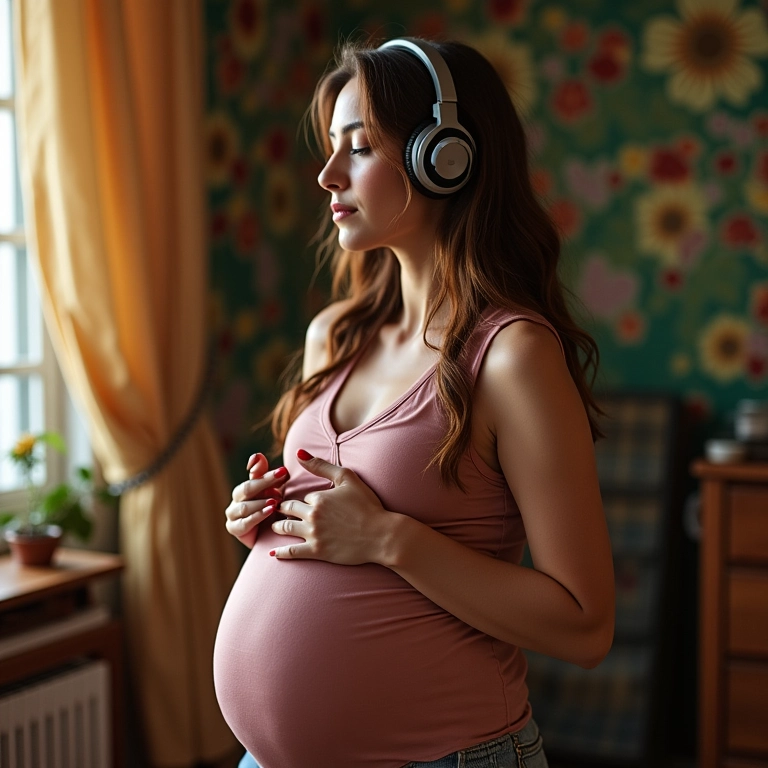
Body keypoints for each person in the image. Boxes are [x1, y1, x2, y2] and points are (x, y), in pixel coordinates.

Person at [214, 35, 615, 768]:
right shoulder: (333, 335)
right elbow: (339, 533)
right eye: (331, 147)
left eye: (358, 147)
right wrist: (274, 524)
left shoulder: (513, 355)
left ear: (446, 156)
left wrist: (388, 539)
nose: (327, 175)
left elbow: (585, 626)